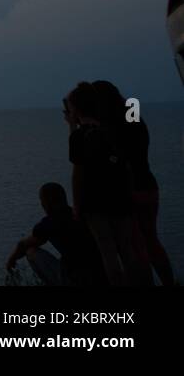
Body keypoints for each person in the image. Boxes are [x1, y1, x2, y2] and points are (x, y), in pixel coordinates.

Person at [65, 82, 150, 286]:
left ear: (75, 109)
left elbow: (78, 173)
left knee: (108, 252)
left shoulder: (78, 136)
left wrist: (77, 205)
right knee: (128, 250)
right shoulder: (110, 131)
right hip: (121, 198)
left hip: (96, 202)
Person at [91, 80, 173, 286]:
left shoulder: (109, 126)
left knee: (136, 244)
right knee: (151, 240)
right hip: (147, 183)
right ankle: (168, 282)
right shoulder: (132, 115)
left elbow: (116, 153)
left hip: (130, 188)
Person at [5, 183, 105, 286]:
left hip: (73, 279)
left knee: (31, 251)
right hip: (101, 275)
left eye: (42, 201)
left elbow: (23, 245)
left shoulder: (49, 223)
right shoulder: (80, 217)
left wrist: (11, 260)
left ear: (46, 203)